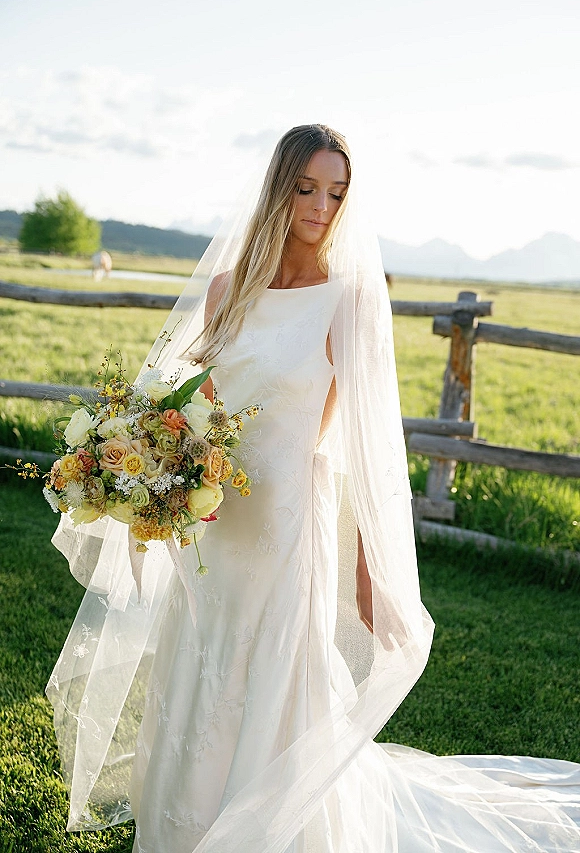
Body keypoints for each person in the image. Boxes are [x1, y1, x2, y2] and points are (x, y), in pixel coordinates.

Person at [47, 125, 580, 852]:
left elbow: (365, 448)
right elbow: (191, 405)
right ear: (279, 189)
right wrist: (149, 468)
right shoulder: (227, 291)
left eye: (336, 191)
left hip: (289, 520)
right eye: (306, 188)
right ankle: (184, 821)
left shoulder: (350, 299)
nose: (322, 205)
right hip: (214, 520)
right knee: (202, 652)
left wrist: (371, 569)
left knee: (274, 668)